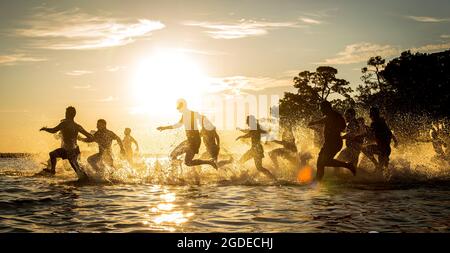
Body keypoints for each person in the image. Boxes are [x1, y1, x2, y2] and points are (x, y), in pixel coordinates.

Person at [157, 99, 217, 169]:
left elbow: (203, 118)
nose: (178, 109)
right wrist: (164, 128)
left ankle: (176, 170)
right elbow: (178, 125)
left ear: (183, 106)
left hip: (194, 142)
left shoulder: (193, 113)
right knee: (185, 161)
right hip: (191, 141)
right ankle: (210, 162)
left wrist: (207, 129)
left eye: (179, 107)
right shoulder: (185, 115)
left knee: (177, 157)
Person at [38, 106, 92, 179]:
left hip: (67, 150)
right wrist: (93, 137)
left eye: (66, 113)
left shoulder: (64, 123)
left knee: (52, 154)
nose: (65, 114)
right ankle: (88, 178)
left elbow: (53, 130)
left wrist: (45, 129)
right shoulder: (77, 126)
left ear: (68, 114)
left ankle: (53, 170)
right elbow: (89, 136)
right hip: (75, 150)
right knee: (77, 169)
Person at [308, 101, 356, 181]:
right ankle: (318, 180)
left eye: (322, 109)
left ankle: (348, 165)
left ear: (327, 108)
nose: (321, 111)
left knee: (325, 162)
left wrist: (335, 130)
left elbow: (343, 127)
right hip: (328, 143)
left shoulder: (335, 115)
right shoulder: (330, 115)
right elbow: (325, 120)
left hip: (334, 143)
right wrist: (315, 122)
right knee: (320, 163)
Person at [236, 115, 277, 181]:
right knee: (259, 167)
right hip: (256, 149)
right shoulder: (255, 127)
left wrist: (241, 136)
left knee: (242, 162)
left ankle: (273, 178)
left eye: (248, 122)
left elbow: (249, 134)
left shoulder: (255, 128)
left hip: (256, 149)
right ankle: (273, 178)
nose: (247, 124)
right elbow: (250, 132)